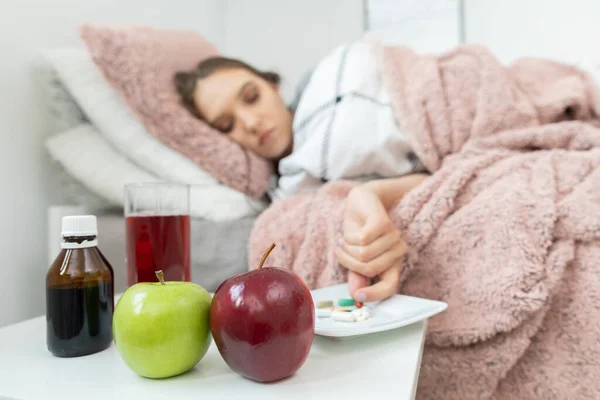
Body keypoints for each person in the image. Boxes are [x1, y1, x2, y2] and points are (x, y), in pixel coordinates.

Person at [174, 57, 428, 303]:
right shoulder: (287, 192)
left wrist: (371, 193)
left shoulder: (334, 99)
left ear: (273, 87)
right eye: (227, 125)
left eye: (252, 97)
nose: (251, 123)